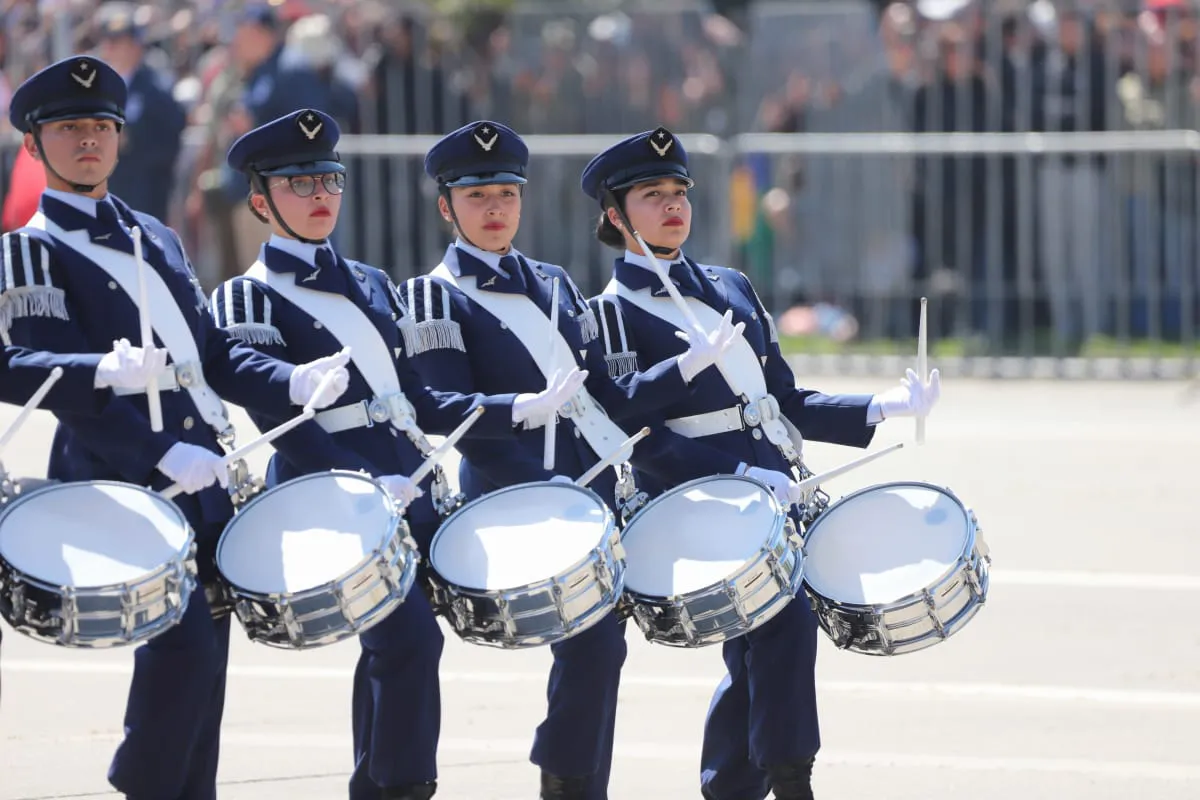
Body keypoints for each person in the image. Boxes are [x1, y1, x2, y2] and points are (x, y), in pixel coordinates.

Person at [210, 108, 588, 800]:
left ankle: (375, 784)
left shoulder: (373, 282)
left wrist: (516, 410)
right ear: (261, 201)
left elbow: (422, 400)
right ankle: (407, 786)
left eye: (329, 179)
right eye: (298, 184)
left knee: (399, 647)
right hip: (323, 497)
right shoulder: (246, 296)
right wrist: (362, 481)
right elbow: (280, 424)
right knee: (411, 640)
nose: (320, 195)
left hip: (409, 491)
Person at [0, 55, 352, 799]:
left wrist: (287, 380)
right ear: (33, 146)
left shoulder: (154, 237)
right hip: (119, 477)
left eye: (101, 127)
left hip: (202, 475)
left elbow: (211, 351)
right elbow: (23, 365)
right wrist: (109, 380)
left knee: (207, 664)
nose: (87, 141)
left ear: (122, 139)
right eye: (68, 129)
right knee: (184, 652)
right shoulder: (30, 248)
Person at [580, 128, 943, 800]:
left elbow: (784, 401)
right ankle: (791, 778)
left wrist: (881, 407)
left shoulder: (731, 287)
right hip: (695, 502)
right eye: (652, 195)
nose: (673, 207)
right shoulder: (606, 317)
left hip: (776, 496)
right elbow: (633, 435)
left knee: (758, 651)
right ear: (614, 214)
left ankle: (730, 785)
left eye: (679, 193)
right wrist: (735, 475)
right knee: (782, 623)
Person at [401, 120, 741, 800]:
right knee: (594, 646)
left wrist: (679, 374)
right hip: (513, 495)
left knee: (606, 647)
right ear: (447, 208)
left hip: (596, 490)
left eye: (506, 194)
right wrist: (519, 410)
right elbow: (440, 406)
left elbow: (607, 398)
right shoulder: (433, 294)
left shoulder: (554, 282)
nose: (495, 210)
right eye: (477, 198)